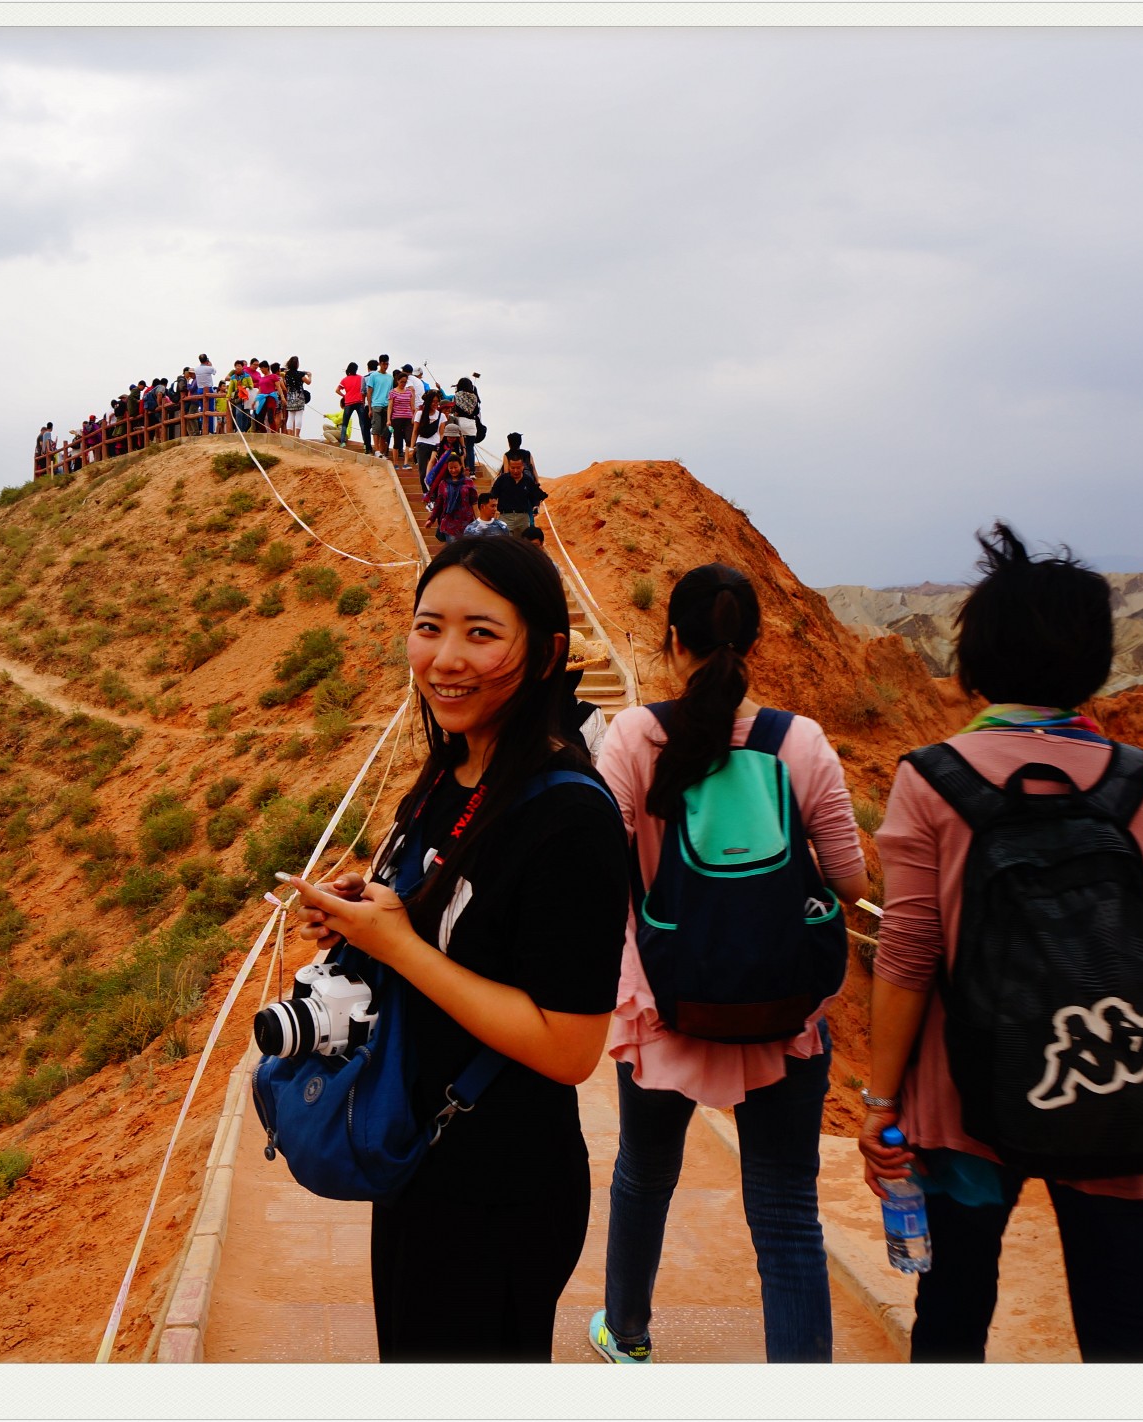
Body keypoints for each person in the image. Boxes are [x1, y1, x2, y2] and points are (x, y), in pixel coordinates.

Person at [857, 523, 1143, 1363]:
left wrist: (883, 1107)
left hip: (964, 1109)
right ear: (1090, 665)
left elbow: (908, 956)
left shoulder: (931, 778)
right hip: (1124, 1097)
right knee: (1126, 1332)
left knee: (951, 1318)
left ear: (974, 660)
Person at [285, 534, 628, 1361]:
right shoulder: (452, 771)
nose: (446, 658)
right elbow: (445, 933)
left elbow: (571, 1046)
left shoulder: (569, 817)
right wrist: (367, 917)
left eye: (482, 633)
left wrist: (400, 947)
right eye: (428, 626)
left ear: (546, 653)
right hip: (419, 1155)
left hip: (500, 1185)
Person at [590, 563, 871, 1365]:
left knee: (644, 1174)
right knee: (786, 1213)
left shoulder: (633, 738)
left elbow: (600, 863)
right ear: (753, 644)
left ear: (671, 640)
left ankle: (628, 1334)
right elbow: (851, 879)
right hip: (782, 1013)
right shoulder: (800, 742)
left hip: (664, 1001)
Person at [493, 452, 545, 536]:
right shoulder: (502, 479)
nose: (515, 470)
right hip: (505, 517)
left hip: (523, 517)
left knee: (523, 543)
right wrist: (494, 508)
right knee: (506, 544)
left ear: (523, 467)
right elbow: (493, 494)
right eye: (513, 468)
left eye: (518, 467)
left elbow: (535, 496)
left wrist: (536, 505)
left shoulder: (528, 480)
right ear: (509, 467)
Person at [429, 454, 477, 543]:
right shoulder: (443, 484)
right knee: (454, 552)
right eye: (451, 468)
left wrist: (478, 520)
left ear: (461, 466)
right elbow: (439, 503)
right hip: (449, 524)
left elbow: (474, 502)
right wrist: (431, 519)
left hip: (467, 522)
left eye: (456, 467)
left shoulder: (468, 482)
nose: (453, 470)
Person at [366, 355, 395, 458]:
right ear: (380, 363)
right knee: (376, 428)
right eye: (383, 364)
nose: (385, 366)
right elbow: (369, 392)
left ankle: (381, 452)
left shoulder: (390, 377)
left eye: (387, 364)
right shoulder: (373, 376)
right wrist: (369, 408)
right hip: (376, 404)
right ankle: (377, 450)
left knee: (384, 430)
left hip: (386, 405)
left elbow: (391, 393)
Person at [387, 370, 416, 469]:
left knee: (408, 439)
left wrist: (414, 417)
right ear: (398, 381)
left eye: (405, 382)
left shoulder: (409, 392)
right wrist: (388, 419)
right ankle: (395, 463)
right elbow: (390, 407)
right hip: (397, 418)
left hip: (408, 418)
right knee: (397, 441)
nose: (403, 384)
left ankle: (406, 463)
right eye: (402, 382)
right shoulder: (393, 392)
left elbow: (412, 406)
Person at [338, 361, 367, 449]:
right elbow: (364, 390)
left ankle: (342, 442)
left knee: (344, 424)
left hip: (348, 403)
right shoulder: (362, 378)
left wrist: (344, 396)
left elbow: (337, 390)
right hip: (359, 402)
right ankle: (366, 443)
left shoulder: (345, 379)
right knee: (362, 424)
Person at [281, 356, 311, 437]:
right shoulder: (300, 374)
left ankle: (290, 435)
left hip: (290, 396)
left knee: (290, 416)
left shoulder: (286, 374)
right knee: (299, 415)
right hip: (299, 396)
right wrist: (310, 375)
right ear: (297, 364)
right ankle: (297, 435)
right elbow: (308, 382)